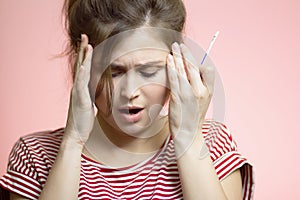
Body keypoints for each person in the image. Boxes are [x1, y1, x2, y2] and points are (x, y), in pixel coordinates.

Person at [0, 0, 254, 199]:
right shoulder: (35, 156)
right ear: (81, 66)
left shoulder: (211, 144)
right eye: (114, 71)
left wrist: (188, 138)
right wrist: (73, 142)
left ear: (177, 65)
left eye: (148, 71)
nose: (130, 91)